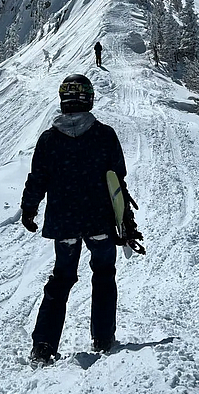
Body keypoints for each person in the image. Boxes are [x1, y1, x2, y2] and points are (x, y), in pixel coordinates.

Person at [20, 74, 143, 365]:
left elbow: (38, 179)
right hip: (99, 221)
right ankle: (102, 337)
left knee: (61, 281)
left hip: (64, 225)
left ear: (63, 101)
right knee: (103, 275)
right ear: (89, 99)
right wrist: (125, 220)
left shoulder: (49, 140)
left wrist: (29, 209)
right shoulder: (104, 135)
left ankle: (44, 345)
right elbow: (117, 180)